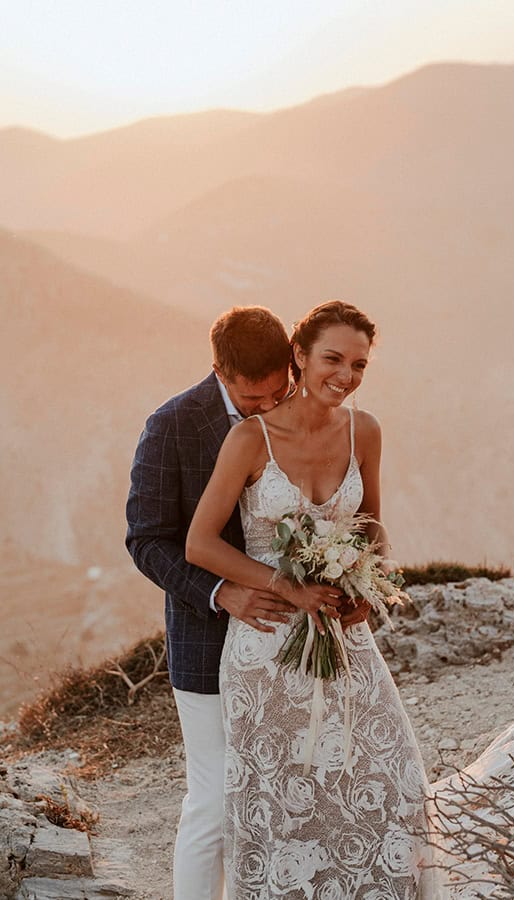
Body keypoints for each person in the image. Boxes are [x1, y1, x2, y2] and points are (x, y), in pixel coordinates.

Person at [186, 300, 442, 899]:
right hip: (269, 643)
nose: (346, 376)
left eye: (359, 365)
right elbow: (199, 543)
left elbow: (372, 525)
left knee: (390, 775)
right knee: (284, 796)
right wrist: (283, 585)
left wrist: (368, 588)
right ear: (299, 356)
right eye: (333, 359)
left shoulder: (366, 430)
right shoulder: (249, 440)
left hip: (344, 639)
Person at [126, 305, 367, 900]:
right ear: (220, 371)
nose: (267, 406)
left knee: (289, 790)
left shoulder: (305, 415)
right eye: (252, 398)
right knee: (213, 797)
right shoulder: (173, 425)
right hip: (208, 638)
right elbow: (146, 539)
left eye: (277, 391)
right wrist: (220, 591)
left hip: (297, 642)